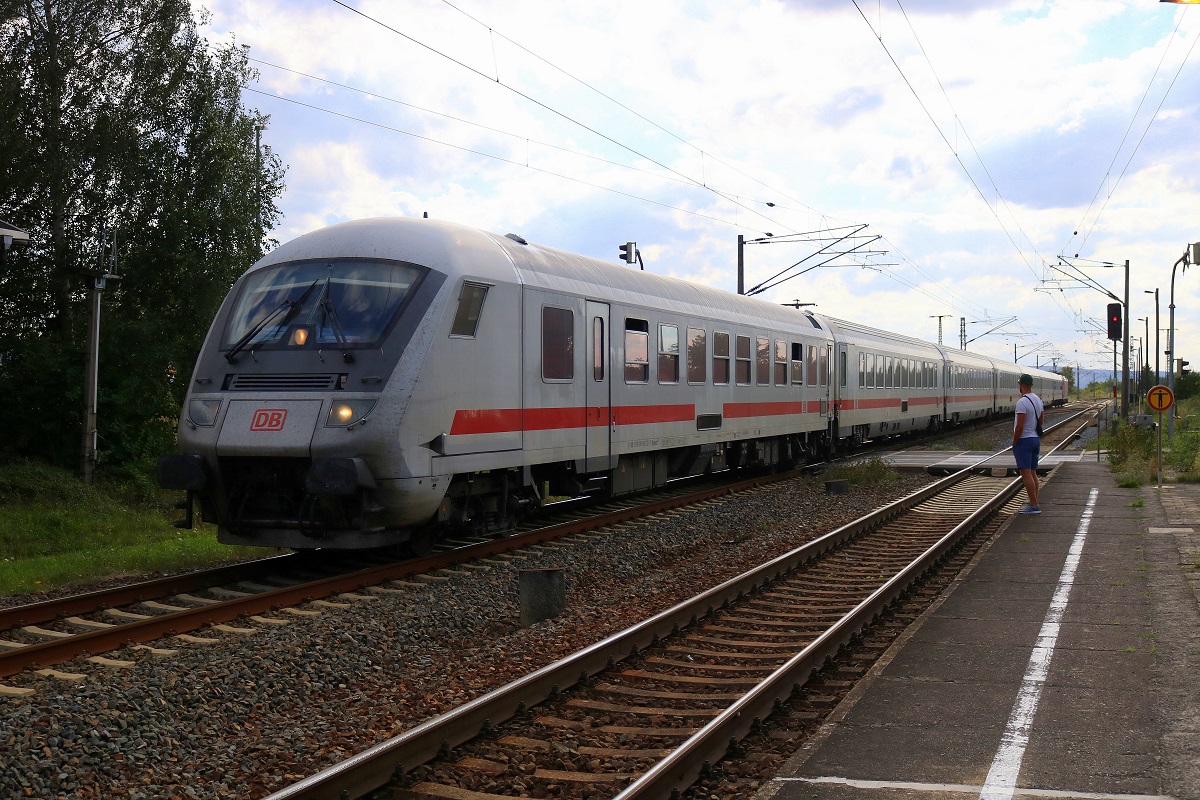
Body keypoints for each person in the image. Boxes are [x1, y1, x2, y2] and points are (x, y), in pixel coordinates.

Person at [1013, 373, 1045, 514]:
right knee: (1033, 473)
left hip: (1024, 440)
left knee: (1026, 473)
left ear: (1021, 385)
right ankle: (1034, 502)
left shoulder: (1022, 402)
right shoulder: (1038, 400)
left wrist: (1015, 441)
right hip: (1035, 439)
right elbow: (1041, 421)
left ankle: (1033, 505)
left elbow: (1020, 425)